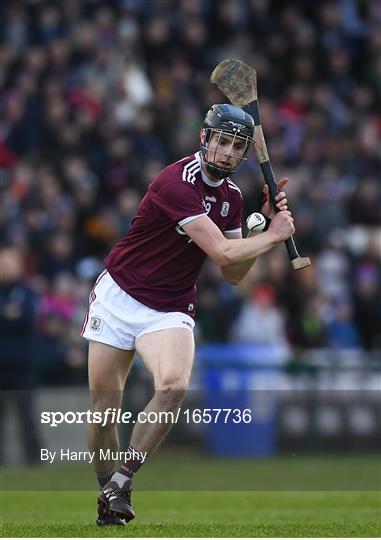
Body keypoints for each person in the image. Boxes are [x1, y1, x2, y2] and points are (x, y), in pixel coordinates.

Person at [81, 103, 295, 525]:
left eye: (238, 145)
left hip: (170, 306)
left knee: (174, 386)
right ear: (204, 138)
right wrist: (273, 237)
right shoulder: (176, 182)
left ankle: (123, 481)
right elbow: (219, 251)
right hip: (119, 295)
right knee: (104, 411)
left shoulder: (232, 197)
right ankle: (107, 490)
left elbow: (233, 272)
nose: (229, 151)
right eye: (222, 141)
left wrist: (258, 228)